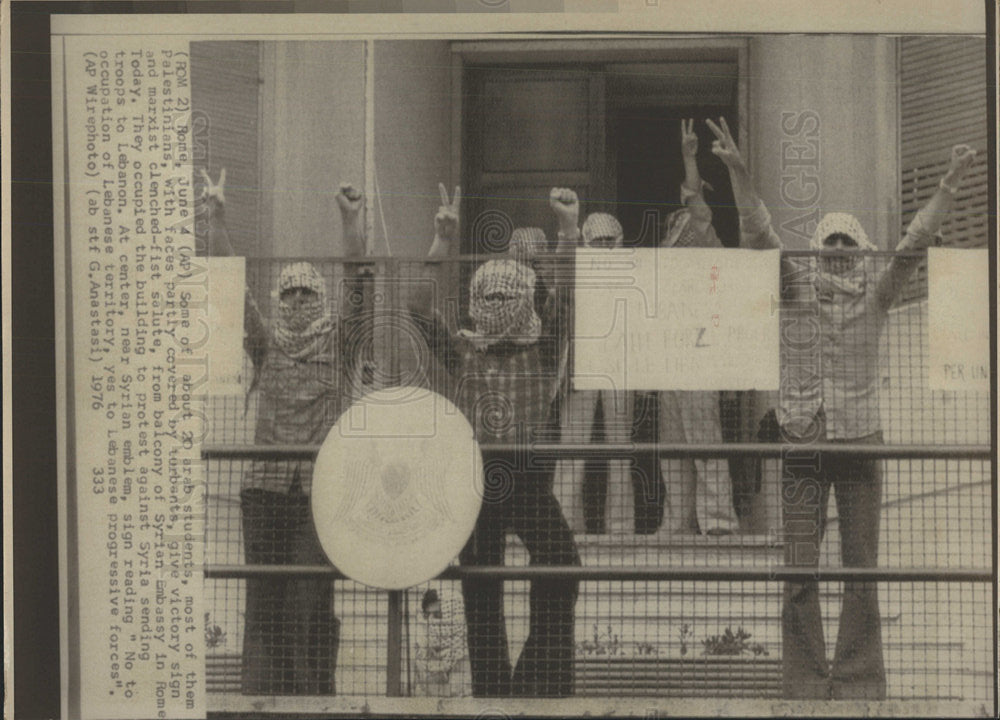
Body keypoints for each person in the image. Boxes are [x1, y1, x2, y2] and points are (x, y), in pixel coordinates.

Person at [706, 116, 978, 699]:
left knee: (862, 570)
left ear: (858, 251)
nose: (835, 253)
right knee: (799, 570)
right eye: (827, 243)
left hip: (859, 442)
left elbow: (912, 245)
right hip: (801, 438)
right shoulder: (795, 289)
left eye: (845, 243)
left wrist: (948, 188)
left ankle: (857, 681)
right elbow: (758, 234)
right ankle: (804, 683)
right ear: (816, 251)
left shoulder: (878, 295)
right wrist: (738, 172)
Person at [409, 184, 581, 697]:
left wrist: (569, 231)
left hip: (527, 477)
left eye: (507, 294)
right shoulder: (465, 351)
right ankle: (493, 693)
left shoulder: (544, 349)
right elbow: (418, 311)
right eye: (488, 295)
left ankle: (537, 681)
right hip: (476, 477)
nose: (497, 302)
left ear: (525, 297)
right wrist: (441, 242)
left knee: (562, 566)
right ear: (476, 300)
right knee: (481, 585)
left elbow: (567, 296)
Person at [201, 168, 367, 695]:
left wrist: (350, 220)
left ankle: (314, 698)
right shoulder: (267, 345)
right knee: (263, 602)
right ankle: (259, 699)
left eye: (306, 295)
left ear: (319, 301)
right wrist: (218, 220)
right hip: (264, 491)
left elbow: (357, 285)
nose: (296, 304)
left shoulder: (339, 345)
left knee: (309, 600)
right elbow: (235, 287)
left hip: (317, 494)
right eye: (288, 295)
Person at [656, 119, 740, 536]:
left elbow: (696, 205)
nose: (681, 220)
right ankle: (678, 522)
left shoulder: (707, 242)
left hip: (701, 356)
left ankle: (719, 523)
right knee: (671, 444)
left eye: (686, 215)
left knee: (705, 442)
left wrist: (689, 159)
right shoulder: (673, 240)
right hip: (670, 355)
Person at [556, 211, 636, 534]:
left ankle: (621, 527)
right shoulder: (573, 270)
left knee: (620, 449)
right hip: (581, 365)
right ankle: (564, 525)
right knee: (571, 448)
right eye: (597, 241)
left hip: (620, 366)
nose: (603, 247)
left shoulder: (632, 272)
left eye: (608, 240)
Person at [414, 589, 471, 697]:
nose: (431, 621)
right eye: (427, 615)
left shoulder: (462, 654)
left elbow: (460, 695)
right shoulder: (421, 651)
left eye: (437, 615)